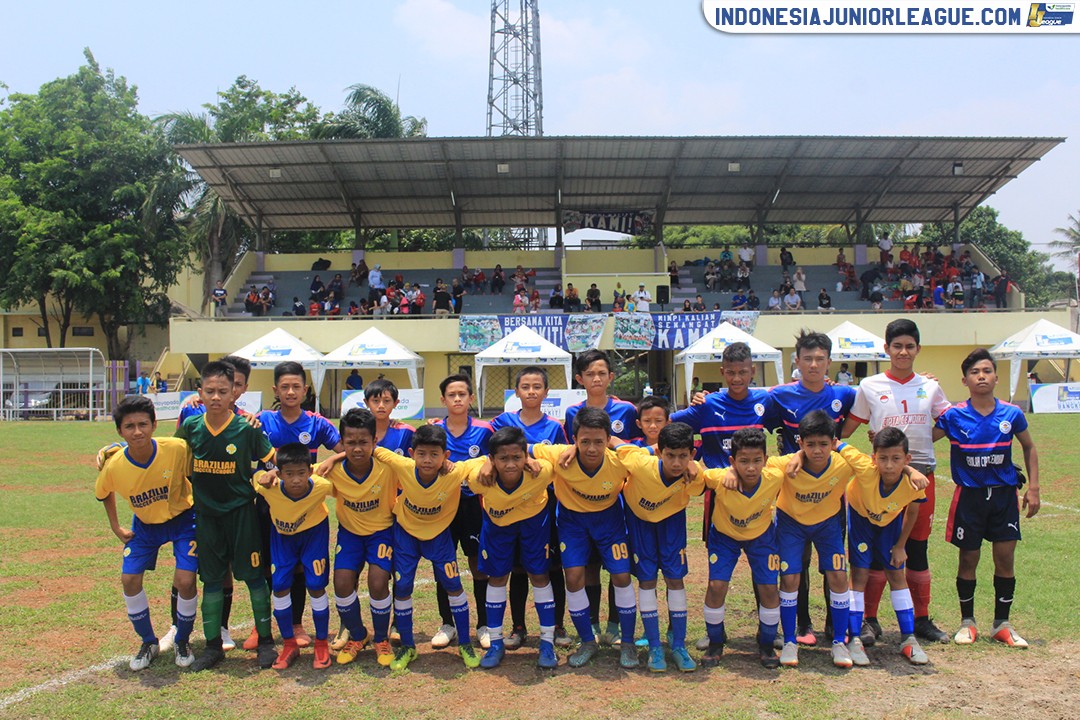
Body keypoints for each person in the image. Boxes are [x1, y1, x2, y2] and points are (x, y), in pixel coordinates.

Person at [841, 319, 952, 646]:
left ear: (918, 349)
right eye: (897, 346)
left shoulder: (930, 386)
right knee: (877, 553)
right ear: (886, 349)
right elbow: (846, 429)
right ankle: (870, 621)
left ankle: (921, 620)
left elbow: (948, 420)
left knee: (915, 549)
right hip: (882, 482)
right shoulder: (869, 386)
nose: (903, 352)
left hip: (920, 478)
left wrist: (925, 443)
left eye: (909, 346)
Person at [934, 348, 1040, 648]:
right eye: (974, 372)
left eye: (987, 371)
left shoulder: (1011, 413)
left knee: (1005, 558)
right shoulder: (954, 415)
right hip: (970, 497)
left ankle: (1001, 624)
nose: (981, 376)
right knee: (968, 557)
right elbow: (923, 437)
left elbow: (1029, 447)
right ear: (965, 380)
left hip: (1004, 497)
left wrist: (1034, 488)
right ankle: (967, 622)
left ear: (995, 377)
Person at [175, 361, 277, 671]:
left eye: (223, 391)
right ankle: (212, 646)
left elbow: (271, 462)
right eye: (210, 391)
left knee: (255, 578)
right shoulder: (191, 428)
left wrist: (269, 475)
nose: (216, 397)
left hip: (241, 515)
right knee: (213, 581)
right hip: (207, 517)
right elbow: (165, 452)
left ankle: (266, 641)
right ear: (199, 394)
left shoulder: (247, 428)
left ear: (234, 392)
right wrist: (115, 448)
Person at [763, 331, 857, 647]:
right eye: (807, 358)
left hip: (830, 492)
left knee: (833, 562)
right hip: (792, 493)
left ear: (829, 362)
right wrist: (704, 398)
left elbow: (875, 403)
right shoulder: (780, 396)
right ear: (797, 361)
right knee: (795, 564)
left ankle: (835, 626)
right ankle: (802, 625)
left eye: (820, 359)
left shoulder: (844, 395)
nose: (813, 364)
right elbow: (747, 406)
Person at [530, 408, 639, 668]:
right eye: (585, 441)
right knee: (574, 577)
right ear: (575, 439)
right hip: (573, 524)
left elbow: (652, 453)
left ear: (608, 440)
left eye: (599, 442)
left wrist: (618, 444)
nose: (591, 448)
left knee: (622, 576)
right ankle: (588, 641)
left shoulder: (621, 460)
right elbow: (520, 446)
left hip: (609, 522)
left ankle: (628, 644)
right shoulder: (560, 455)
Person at [95, 395, 199, 670]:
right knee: (129, 579)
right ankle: (148, 641)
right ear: (120, 431)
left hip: (183, 519)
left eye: (143, 424)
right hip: (145, 525)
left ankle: (182, 640)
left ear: (154, 424)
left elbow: (198, 468)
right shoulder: (114, 466)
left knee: (186, 580)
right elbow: (103, 493)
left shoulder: (176, 448)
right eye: (129, 426)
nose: (137, 431)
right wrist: (115, 526)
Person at [374, 425, 485, 669]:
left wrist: (484, 465)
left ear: (446, 457)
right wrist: (335, 458)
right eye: (421, 454)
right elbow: (375, 450)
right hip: (405, 535)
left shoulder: (455, 472)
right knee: (402, 587)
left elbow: (484, 459)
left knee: (453, 585)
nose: (427, 460)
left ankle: (465, 643)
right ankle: (408, 646)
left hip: (438, 536)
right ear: (411, 453)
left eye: (435, 454)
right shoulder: (403, 465)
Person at [259, 362, 343, 644]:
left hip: (307, 508)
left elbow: (350, 449)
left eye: (296, 386)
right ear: (275, 390)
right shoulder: (263, 421)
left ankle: (296, 624)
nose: (291, 391)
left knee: (300, 569)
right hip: (271, 505)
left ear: (306, 390)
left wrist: (332, 457)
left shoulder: (317, 423)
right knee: (275, 566)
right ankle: (266, 625)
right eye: (285, 387)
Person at [609, 424, 704, 672]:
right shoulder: (641, 463)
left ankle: (679, 646)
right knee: (647, 581)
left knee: (675, 580)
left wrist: (694, 467)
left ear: (692, 455)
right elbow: (614, 441)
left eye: (683, 456)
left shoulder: (694, 475)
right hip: (641, 525)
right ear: (659, 452)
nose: (676, 462)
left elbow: (710, 480)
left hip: (672, 525)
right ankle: (654, 646)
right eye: (670, 455)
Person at [489, 368, 570, 648]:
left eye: (537, 387)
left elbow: (563, 459)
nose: (532, 391)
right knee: (517, 568)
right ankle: (519, 627)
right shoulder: (503, 421)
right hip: (511, 506)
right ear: (516, 392)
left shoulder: (555, 427)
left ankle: (557, 625)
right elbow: (492, 453)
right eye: (526, 386)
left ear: (546, 393)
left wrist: (533, 454)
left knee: (550, 567)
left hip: (545, 506)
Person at [466, 428, 558, 669]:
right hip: (498, 525)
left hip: (534, 522)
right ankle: (496, 643)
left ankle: (547, 643)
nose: (510, 464)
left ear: (525, 456)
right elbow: (458, 468)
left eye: (517, 458)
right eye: (502, 458)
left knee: (539, 574)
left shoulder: (542, 471)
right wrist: (485, 461)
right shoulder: (480, 479)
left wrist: (529, 457)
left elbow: (564, 452)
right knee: (496, 576)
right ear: (492, 459)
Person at [770, 411, 856, 669]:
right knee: (789, 578)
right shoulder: (785, 464)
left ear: (833, 443)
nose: (817, 451)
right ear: (800, 444)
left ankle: (839, 641)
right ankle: (788, 641)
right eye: (810, 445)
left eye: (824, 444)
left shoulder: (843, 464)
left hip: (827, 524)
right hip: (791, 525)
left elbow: (867, 463)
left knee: (839, 576)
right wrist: (796, 457)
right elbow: (761, 465)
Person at [843, 428, 932, 666]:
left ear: (907, 459)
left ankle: (909, 638)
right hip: (861, 518)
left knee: (896, 572)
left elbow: (912, 511)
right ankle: (854, 639)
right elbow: (840, 446)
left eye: (896, 459)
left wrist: (901, 545)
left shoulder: (915, 483)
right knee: (859, 574)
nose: (889, 465)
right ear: (874, 458)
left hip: (889, 521)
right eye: (883, 458)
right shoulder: (865, 468)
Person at [698, 428, 782, 669]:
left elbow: (797, 458)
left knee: (768, 588)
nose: (751, 468)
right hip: (724, 537)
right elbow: (698, 472)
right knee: (716, 586)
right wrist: (730, 471)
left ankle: (766, 644)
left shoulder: (775, 476)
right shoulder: (721, 478)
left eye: (757, 461)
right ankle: (716, 641)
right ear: (733, 461)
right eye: (743, 462)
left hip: (761, 536)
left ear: (766, 460)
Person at [252, 444, 333, 670]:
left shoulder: (321, 486)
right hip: (283, 538)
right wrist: (265, 475)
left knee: (316, 585)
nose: (296, 480)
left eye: (301, 473)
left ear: (310, 472)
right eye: (289, 474)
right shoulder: (269, 487)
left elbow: (341, 486)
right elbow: (255, 476)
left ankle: (321, 644)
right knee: (279, 586)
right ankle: (289, 644)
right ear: (279, 473)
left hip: (313, 535)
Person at [431, 375, 496, 652]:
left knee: (477, 564)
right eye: (451, 394)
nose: (457, 399)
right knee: (443, 564)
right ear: (443, 400)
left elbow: (498, 454)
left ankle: (483, 625)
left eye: (462, 394)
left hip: (472, 506)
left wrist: (488, 462)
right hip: (442, 505)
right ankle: (448, 624)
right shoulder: (433, 429)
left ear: (471, 398)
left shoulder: (484, 430)